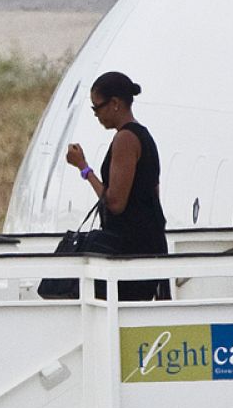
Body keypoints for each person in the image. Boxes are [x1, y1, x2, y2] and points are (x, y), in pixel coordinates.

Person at [66, 71, 169, 301]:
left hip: (130, 248)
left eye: (97, 108)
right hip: (150, 243)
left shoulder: (125, 139)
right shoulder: (144, 136)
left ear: (114, 103)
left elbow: (115, 203)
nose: (96, 115)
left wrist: (84, 168)